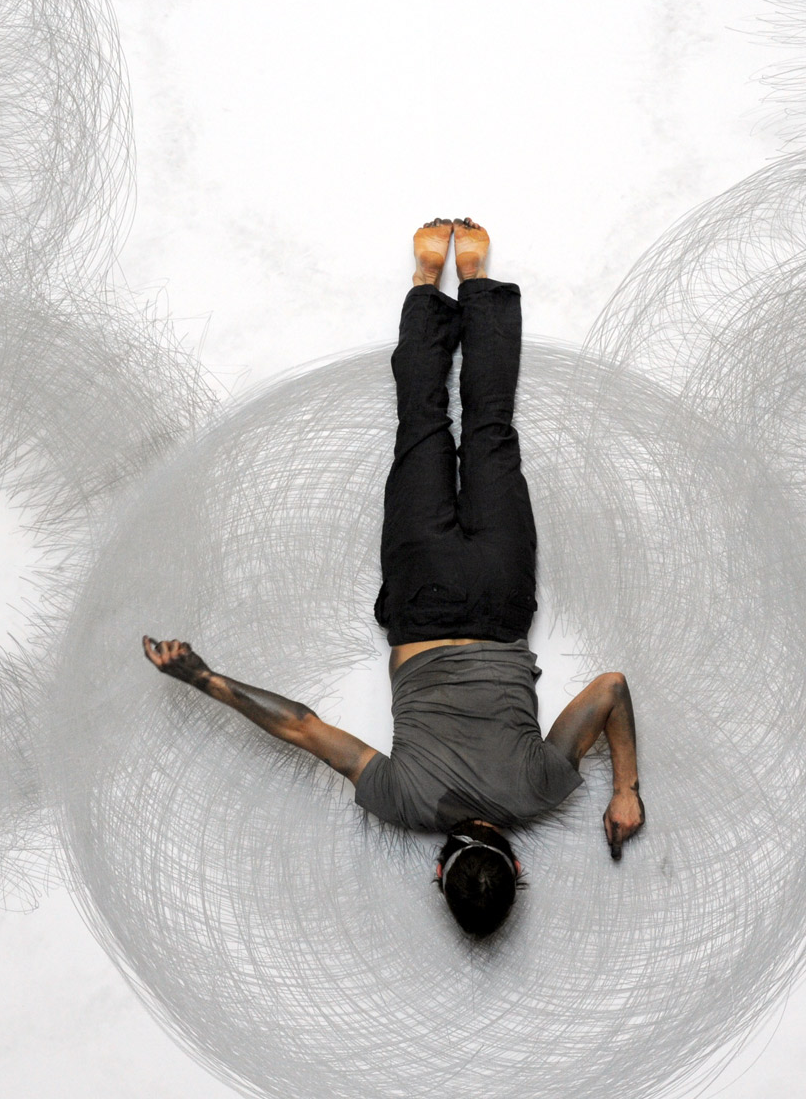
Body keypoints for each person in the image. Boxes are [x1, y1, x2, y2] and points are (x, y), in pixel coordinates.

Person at [143, 218, 644, 939]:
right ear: (439, 872)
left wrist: (626, 789)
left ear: (520, 869)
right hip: (422, 602)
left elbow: (611, 689)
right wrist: (202, 678)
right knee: (424, 426)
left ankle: (466, 281)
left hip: (501, 600)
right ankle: (427, 282)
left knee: (489, 430)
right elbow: (304, 729)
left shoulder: (543, 792)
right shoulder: (404, 805)